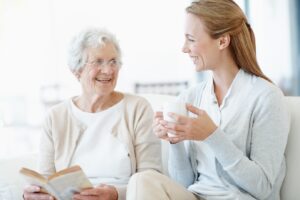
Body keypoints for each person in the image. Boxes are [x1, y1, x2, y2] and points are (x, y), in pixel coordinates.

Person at [126, 0, 290, 200]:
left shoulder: (266, 97)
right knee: (142, 180)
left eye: (191, 39)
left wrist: (212, 135)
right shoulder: (190, 98)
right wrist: (175, 141)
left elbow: (262, 187)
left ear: (222, 41)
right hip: (197, 196)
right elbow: (183, 184)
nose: (184, 48)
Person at [23, 27, 162, 200]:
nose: (108, 70)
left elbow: (151, 179)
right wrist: (35, 194)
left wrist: (116, 194)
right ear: (77, 70)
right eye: (98, 62)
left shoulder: (137, 108)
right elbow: (45, 178)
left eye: (113, 61)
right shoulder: (55, 117)